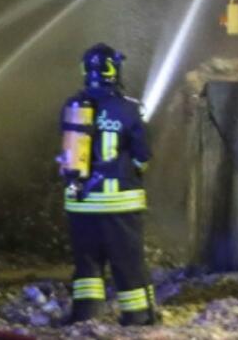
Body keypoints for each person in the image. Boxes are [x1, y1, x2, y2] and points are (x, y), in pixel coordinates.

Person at [59, 43, 155, 326]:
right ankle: (136, 314)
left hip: (80, 201)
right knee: (127, 261)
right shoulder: (129, 109)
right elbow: (142, 156)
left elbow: (68, 149)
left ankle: (86, 313)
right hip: (119, 203)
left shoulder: (73, 106)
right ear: (114, 70)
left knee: (87, 262)